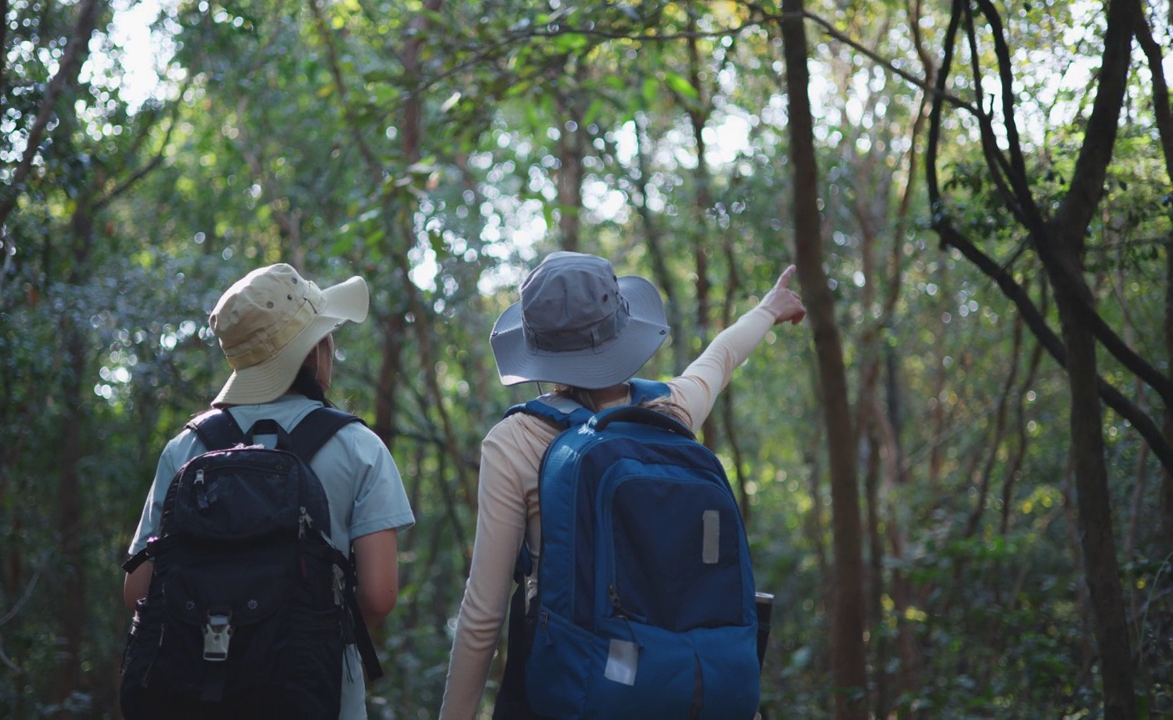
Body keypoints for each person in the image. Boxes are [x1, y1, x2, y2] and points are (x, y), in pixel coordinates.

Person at [438, 251, 806, 719]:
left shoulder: (515, 441)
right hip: (678, 688)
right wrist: (769, 309)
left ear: (538, 350)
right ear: (622, 330)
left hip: (576, 692)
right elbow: (720, 359)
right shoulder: (671, 410)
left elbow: (482, 614)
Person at [123, 262, 415, 720]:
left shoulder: (186, 449)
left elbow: (138, 588)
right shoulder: (360, 448)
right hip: (319, 697)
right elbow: (378, 596)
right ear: (314, 351)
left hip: (197, 694)